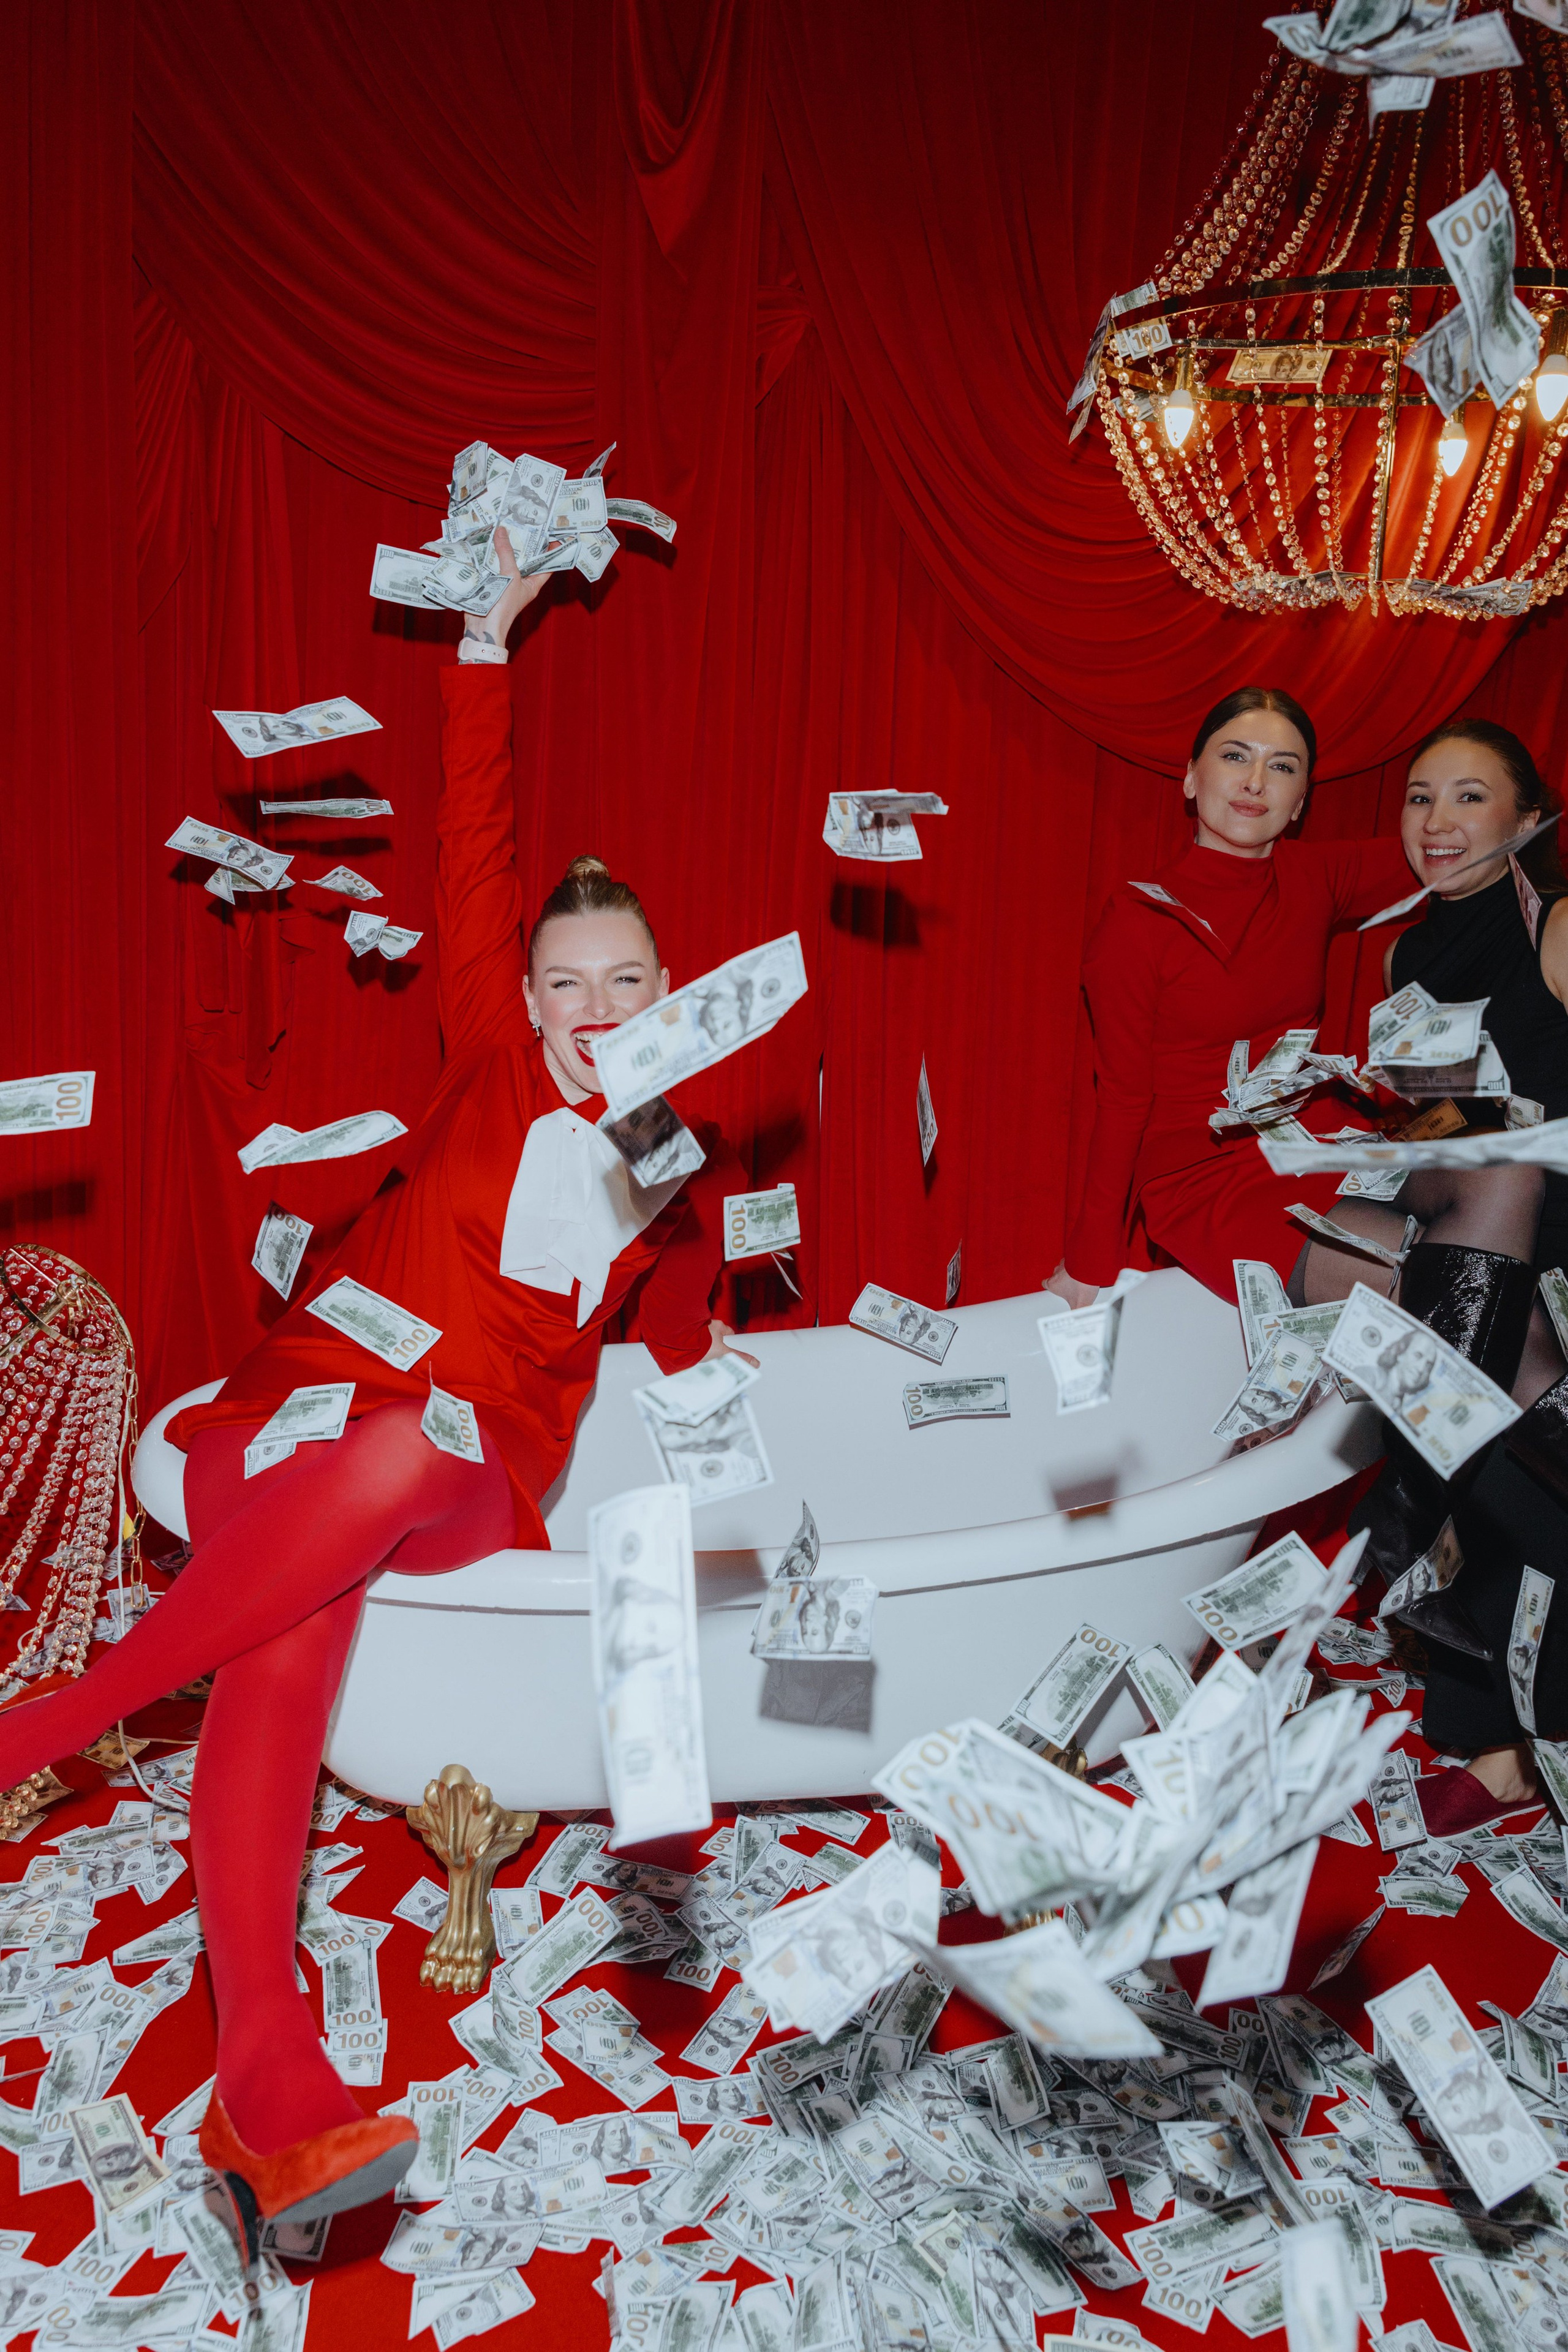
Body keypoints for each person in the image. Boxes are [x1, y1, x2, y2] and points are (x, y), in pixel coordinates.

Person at [0, 529, 755, 2242]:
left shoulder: (673, 1152)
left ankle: (49, 1723)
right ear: (529, 994)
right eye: (566, 981)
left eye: (624, 980)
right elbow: (474, 840)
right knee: (285, 1623)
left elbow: (684, 1338)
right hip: (323, 1374)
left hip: (476, 1456)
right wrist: (480, 649)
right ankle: (268, 2078)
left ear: (667, 995)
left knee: (404, 1446)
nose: (589, 1006)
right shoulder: (492, 1042)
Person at [1046, 688, 1548, 1822]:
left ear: (1304, 798)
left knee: (1491, 1197)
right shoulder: (1139, 921)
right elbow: (1117, 1098)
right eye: (1234, 757)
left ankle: (1484, 1489)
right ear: (1190, 777)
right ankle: (1496, 1494)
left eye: (1282, 767)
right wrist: (1085, 1260)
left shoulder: (1313, 877)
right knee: (1443, 1296)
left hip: (1311, 1147)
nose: (1255, 782)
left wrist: (1515, 831)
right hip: (1203, 1182)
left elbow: (1456, 838)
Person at [1373, 718, 1568, 1833]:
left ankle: (1501, 1731)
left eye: (1470, 799)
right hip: (1473, 1226)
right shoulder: (1405, 953)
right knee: (1341, 1269)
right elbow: (1444, 1121)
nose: (1438, 824)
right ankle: (1492, 1722)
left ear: (1526, 822)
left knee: (1486, 1427)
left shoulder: (1553, 926)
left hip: (1552, 1231)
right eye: (1418, 797)